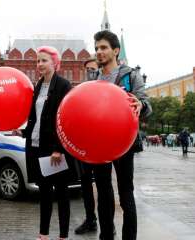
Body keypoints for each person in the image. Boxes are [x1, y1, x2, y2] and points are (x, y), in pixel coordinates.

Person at [91, 30, 152, 240]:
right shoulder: (94, 79)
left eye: (104, 47)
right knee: (103, 192)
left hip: (123, 142)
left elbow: (146, 105)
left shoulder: (130, 75)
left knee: (126, 193)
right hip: (99, 143)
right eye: (97, 48)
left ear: (115, 51)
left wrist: (141, 104)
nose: (99, 52)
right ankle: (106, 234)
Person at [14, 46, 75, 240]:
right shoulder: (38, 86)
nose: (40, 64)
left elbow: (67, 119)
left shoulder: (64, 86)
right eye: (38, 61)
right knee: (45, 193)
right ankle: (43, 234)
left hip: (54, 150)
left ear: (54, 63)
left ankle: (63, 235)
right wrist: (24, 131)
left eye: (44, 60)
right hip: (36, 146)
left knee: (62, 193)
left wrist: (59, 148)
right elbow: (36, 117)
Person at [74, 57, 99, 234]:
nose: (89, 73)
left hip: (100, 145)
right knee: (85, 185)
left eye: (92, 69)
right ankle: (90, 219)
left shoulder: (104, 89)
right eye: (87, 70)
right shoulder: (80, 90)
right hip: (84, 146)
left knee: (104, 187)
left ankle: (108, 223)